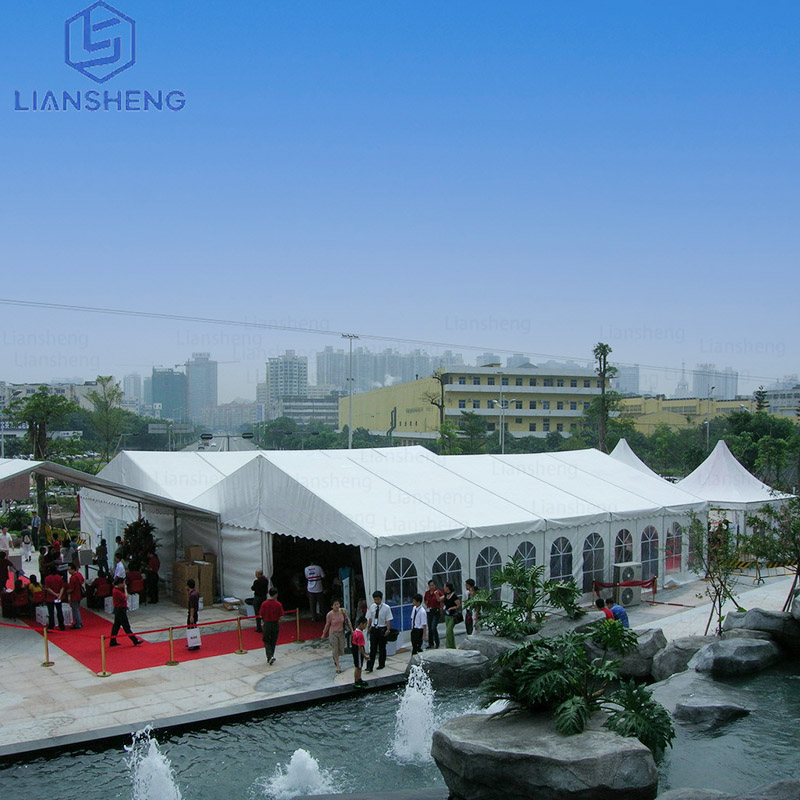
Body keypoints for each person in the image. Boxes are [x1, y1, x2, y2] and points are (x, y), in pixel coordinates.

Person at [109, 577, 143, 647]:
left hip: (119, 609)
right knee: (126, 626)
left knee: (116, 626)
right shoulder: (117, 591)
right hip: (120, 610)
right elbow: (125, 597)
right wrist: (125, 589)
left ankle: (112, 641)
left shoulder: (116, 590)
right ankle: (135, 640)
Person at [322, 598, 353, 673]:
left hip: (341, 632)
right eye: (335, 605)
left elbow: (347, 620)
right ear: (332, 606)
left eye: (338, 604)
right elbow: (327, 624)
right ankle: (338, 666)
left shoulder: (343, 611)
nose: (337, 606)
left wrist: (352, 630)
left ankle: (335, 657)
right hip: (333, 633)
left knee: (341, 649)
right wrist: (323, 634)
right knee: (335, 649)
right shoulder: (329, 614)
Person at [365, 590, 393, 672]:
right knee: (372, 648)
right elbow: (370, 618)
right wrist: (368, 627)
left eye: (378, 599)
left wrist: (388, 629)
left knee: (382, 648)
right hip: (374, 628)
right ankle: (370, 666)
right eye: (375, 599)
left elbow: (388, 619)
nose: (376, 601)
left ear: (381, 599)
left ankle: (381, 664)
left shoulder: (386, 608)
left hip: (382, 628)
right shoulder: (372, 607)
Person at [259, 587, 284, 665]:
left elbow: (260, 615)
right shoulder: (278, 604)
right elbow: (281, 616)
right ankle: (271, 655)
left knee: (266, 640)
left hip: (267, 623)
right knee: (273, 640)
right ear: (276, 594)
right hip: (275, 623)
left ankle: (269, 656)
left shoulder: (264, 604)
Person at [424, 579, 443, 649]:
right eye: (430, 585)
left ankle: (437, 642)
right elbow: (425, 600)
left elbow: (441, 600)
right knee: (429, 627)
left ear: (435, 585)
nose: (431, 587)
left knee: (433, 627)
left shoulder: (438, 592)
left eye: (432, 585)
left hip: (436, 611)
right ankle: (430, 643)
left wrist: (441, 608)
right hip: (430, 611)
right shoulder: (427, 593)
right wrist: (427, 604)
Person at [442, 583, 461, 649]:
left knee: (449, 630)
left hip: (453, 615)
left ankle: (450, 646)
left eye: (444, 587)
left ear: (447, 588)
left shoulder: (454, 596)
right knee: (449, 630)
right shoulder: (445, 595)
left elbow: (458, 605)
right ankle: (451, 645)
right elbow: (439, 599)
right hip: (447, 615)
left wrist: (452, 608)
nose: (443, 588)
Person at [351, 616, 368, 688]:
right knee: (358, 666)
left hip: (355, 649)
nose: (366, 626)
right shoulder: (360, 634)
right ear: (361, 624)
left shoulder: (355, 631)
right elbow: (360, 647)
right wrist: (364, 655)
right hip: (358, 651)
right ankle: (356, 681)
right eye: (365, 624)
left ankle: (359, 679)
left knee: (359, 666)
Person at [67, 563, 85, 629]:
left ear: (73, 569)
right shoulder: (79, 574)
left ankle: (78, 623)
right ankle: (80, 622)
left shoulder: (72, 578)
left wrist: (66, 592)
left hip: (74, 595)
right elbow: (82, 581)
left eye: (69, 570)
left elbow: (71, 589)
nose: (68, 571)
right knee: (77, 609)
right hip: (79, 594)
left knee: (75, 610)